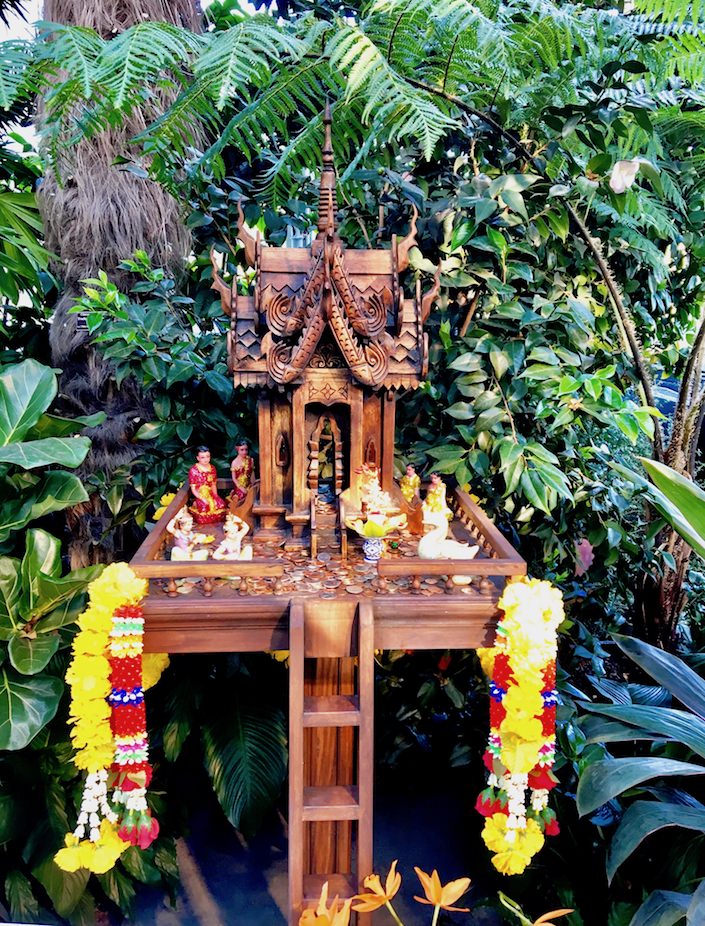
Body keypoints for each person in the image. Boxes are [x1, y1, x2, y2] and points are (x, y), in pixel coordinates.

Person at [188, 446, 227, 525]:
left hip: (210, 493)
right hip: (200, 494)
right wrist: (201, 498)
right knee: (204, 507)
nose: (205, 459)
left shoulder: (212, 468)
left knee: (221, 504)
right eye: (202, 457)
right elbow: (194, 488)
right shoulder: (194, 470)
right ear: (198, 458)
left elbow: (213, 484)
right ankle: (196, 505)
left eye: (207, 456)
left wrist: (216, 496)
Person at [230, 440, 255, 504]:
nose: (244, 452)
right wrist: (241, 488)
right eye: (242, 450)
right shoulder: (234, 462)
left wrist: (253, 485)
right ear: (237, 449)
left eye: (246, 449)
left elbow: (252, 473)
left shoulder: (250, 460)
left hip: (248, 485)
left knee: (253, 495)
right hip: (239, 486)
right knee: (241, 496)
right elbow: (234, 478)